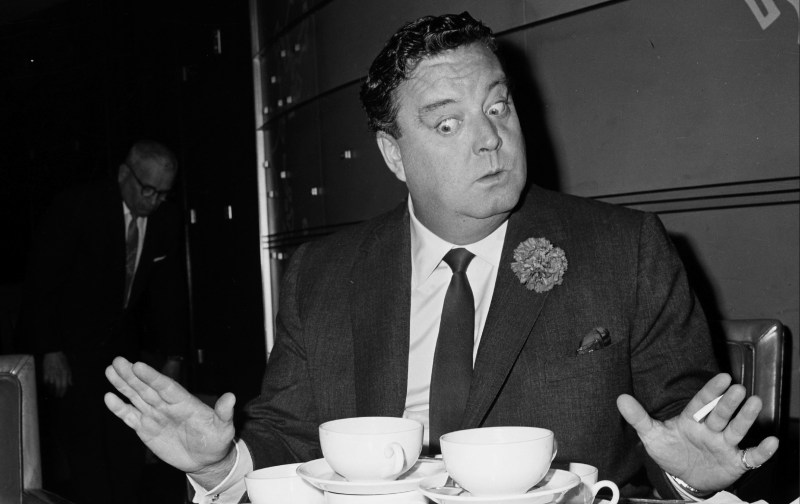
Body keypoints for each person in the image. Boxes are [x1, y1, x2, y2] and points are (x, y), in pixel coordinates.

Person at [104, 13, 779, 502]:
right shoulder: (323, 275)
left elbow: (682, 427)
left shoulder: (623, 250)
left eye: (498, 107)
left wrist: (693, 476)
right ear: (394, 154)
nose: (490, 140)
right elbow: (287, 436)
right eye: (448, 123)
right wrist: (219, 464)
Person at [16, 139, 189, 504]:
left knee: (127, 452)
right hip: (70, 352)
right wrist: (51, 350)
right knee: (87, 457)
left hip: (121, 355)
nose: (155, 201)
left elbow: (167, 293)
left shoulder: (164, 220)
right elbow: (42, 283)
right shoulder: (77, 207)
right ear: (124, 174)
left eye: (163, 194)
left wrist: (174, 356)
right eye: (148, 190)